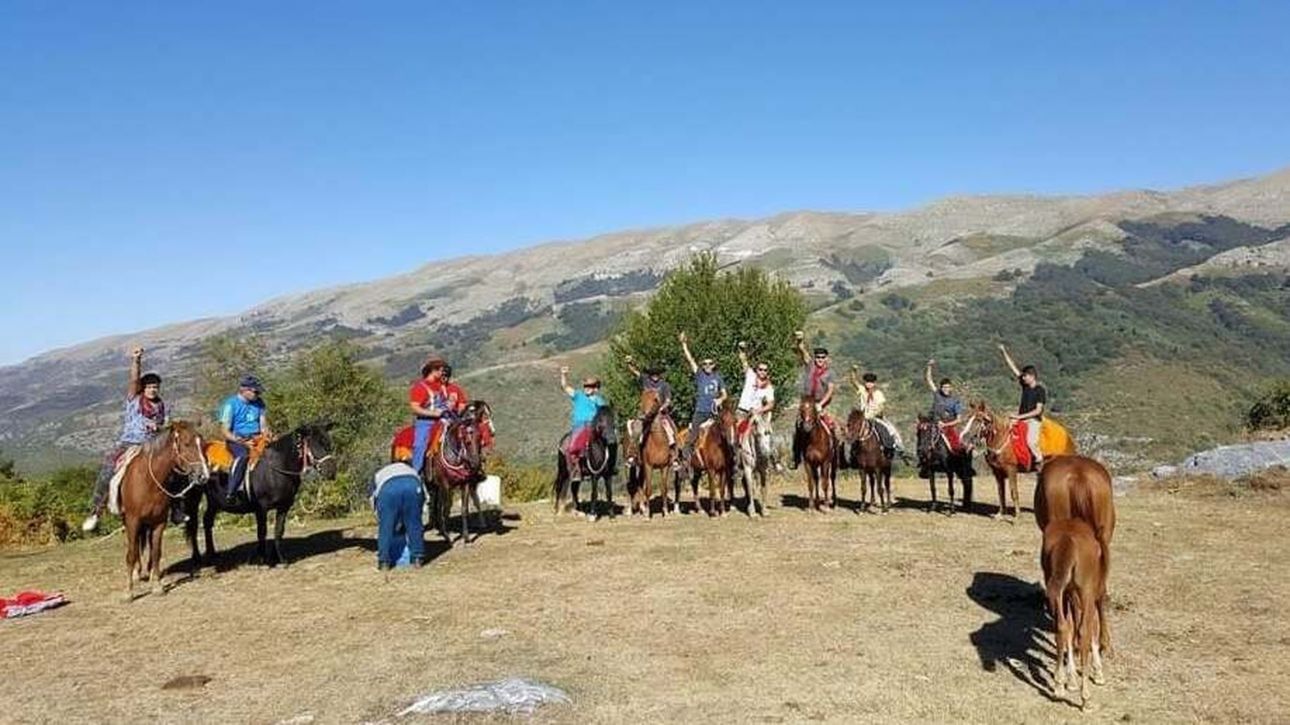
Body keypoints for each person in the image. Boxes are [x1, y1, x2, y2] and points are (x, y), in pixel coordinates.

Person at [83, 347, 173, 532]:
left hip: (153, 446)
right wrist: (136, 360)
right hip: (130, 443)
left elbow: (165, 426)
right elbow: (134, 379)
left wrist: (158, 428)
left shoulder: (162, 405)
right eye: (150, 387)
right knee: (107, 469)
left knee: (175, 470)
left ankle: (176, 508)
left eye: (156, 387)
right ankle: (96, 511)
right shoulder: (134, 399)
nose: (153, 390)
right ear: (143, 388)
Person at [678, 332, 728, 465]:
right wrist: (684, 345)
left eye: (710, 363)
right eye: (705, 364)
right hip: (700, 411)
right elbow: (690, 360)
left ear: (714, 365)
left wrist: (720, 400)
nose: (707, 366)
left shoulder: (718, 377)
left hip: (714, 412)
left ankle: (732, 460)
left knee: (727, 432)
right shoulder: (700, 374)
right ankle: (685, 461)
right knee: (693, 435)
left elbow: (725, 394)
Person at [220, 375, 271, 499]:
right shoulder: (230, 404)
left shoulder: (259, 403)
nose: (258, 394)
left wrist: (267, 434)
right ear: (244, 390)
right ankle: (232, 491)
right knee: (242, 456)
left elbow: (263, 425)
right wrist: (242, 441)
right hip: (237, 440)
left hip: (257, 438)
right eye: (255, 391)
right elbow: (225, 431)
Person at [368, 461, 425, 570]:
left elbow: (373, 501)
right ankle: (417, 558)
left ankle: (384, 562)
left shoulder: (379, 473)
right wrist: (417, 515)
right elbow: (423, 499)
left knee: (386, 527)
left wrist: (380, 518)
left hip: (388, 489)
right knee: (414, 524)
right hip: (413, 485)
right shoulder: (412, 470)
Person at [792, 331, 836, 468]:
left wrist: (821, 404)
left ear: (826, 358)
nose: (820, 359)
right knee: (798, 427)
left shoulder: (830, 373)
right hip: (807, 403)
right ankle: (796, 457)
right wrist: (800, 341)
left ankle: (836, 455)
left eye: (822, 357)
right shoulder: (810, 366)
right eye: (817, 357)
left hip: (823, 404)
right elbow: (803, 351)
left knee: (832, 427)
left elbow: (830, 390)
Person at [999, 343, 1047, 467]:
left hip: (1033, 421)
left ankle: (1039, 461)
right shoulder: (1025, 386)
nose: (1023, 378)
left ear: (1032, 376)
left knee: (1031, 442)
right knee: (1003, 432)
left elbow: (1038, 411)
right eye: (1023, 376)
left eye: (1025, 376)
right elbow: (1013, 368)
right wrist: (1004, 352)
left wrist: (1019, 417)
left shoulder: (1040, 390)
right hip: (1021, 419)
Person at [559, 367, 607, 483]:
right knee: (570, 448)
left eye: (590, 386)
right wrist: (564, 375)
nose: (587, 388)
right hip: (579, 427)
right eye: (585, 386)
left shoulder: (599, 400)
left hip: (593, 426)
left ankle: (609, 467)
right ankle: (576, 470)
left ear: (595, 388)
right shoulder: (578, 395)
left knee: (610, 442)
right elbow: (565, 387)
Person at [848, 365, 905, 460]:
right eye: (867, 382)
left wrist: (873, 414)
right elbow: (853, 381)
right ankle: (853, 454)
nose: (869, 384)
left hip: (875, 418)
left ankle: (895, 448)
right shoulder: (862, 390)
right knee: (853, 430)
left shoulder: (878, 394)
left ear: (874, 383)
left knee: (890, 430)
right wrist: (853, 371)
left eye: (871, 382)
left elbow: (881, 408)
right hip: (863, 418)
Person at [735, 341, 778, 469]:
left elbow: (771, 404)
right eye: (760, 369)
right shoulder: (750, 375)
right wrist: (742, 350)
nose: (762, 372)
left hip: (756, 414)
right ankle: (735, 462)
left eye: (765, 370)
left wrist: (759, 410)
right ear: (756, 370)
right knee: (735, 434)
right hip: (742, 412)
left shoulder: (769, 387)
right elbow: (743, 361)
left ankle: (774, 459)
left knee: (767, 432)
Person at [622, 354, 677, 451]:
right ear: (650, 374)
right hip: (644, 414)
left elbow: (668, 400)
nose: (655, 375)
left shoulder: (665, 385)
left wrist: (662, 407)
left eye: (657, 373)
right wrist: (629, 363)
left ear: (660, 374)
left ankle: (674, 453)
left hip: (660, 413)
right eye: (653, 373)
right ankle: (633, 452)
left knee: (671, 429)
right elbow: (635, 371)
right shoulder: (645, 380)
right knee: (637, 430)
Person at [408, 357, 449, 474]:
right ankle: (416, 472)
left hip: (443, 419)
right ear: (433, 370)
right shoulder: (420, 387)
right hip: (425, 422)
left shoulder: (440, 386)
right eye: (441, 370)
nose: (442, 373)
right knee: (419, 445)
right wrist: (433, 413)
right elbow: (414, 408)